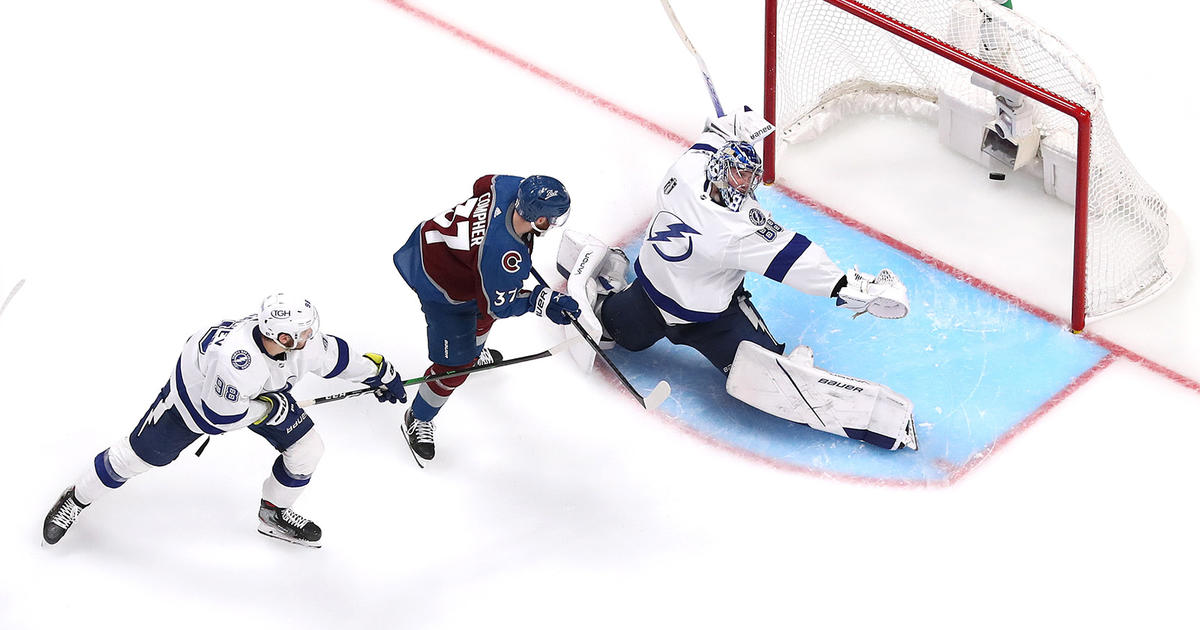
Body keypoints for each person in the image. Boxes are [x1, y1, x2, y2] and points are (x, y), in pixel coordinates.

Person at [557, 107, 918, 450]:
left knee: (769, 379)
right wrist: (732, 128)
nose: (744, 186)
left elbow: (795, 257)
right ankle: (611, 279)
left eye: (749, 177)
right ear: (718, 169)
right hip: (647, 299)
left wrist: (846, 286)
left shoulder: (731, 210)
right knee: (617, 335)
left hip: (712, 323)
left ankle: (859, 409)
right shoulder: (695, 183)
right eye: (738, 175)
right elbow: (713, 138)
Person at [41, 293, 408, 548]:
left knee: (308, 449)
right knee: (133, 459)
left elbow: (337, 358)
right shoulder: (237, 361)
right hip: (194, 407)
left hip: (262, 396)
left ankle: (274, 513)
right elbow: (218, 418)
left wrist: (378, 372)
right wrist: (266, 409)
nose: (313, 336)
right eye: (305, 333)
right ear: (281, 336)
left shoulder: (300, 342)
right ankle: (76, 498)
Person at [392, 174, 581, 462]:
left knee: (481, 310)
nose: (552, 224)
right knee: (454, 366)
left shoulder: (508, 187)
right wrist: (541, 300)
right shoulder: (501, 254)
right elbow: (499, 306)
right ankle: (418, 417)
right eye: (549, 219)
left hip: (439, 245)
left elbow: (483, 183)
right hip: (441, 285)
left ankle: (474, 351)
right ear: (537, 219)